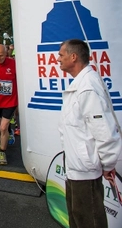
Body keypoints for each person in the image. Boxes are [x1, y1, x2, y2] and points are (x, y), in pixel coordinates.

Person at [58, 39, 122, 228]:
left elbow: (104, 131)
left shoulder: (87, 87)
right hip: (77, 168)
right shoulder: (82, 83)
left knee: (89, 221)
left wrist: (108, 163)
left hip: (86, 171)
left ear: (73, 57)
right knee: (78, 219)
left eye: (61, 55)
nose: (57, 59)